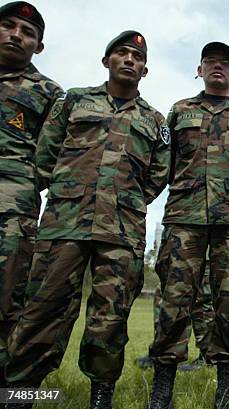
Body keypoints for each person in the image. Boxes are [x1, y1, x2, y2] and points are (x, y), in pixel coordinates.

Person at [5, 31, 169, 409]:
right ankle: (19, 397)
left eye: (137, 57)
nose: (129, 60)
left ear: (145, 70)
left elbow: (158, 175)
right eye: (121, 53)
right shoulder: (74, 101)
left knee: (109, 320)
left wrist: (124, 202)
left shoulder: (153, 120)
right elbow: (46, 152)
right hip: (64, 223)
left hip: (121, 231)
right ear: (106, 61)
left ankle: (101, 399)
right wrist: (68, 191)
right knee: (42, 311)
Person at [147, 42, 229, 409]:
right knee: (174, 302)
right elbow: (164, 161)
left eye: (226, 63)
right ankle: (162, 390)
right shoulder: (180, 111)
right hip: (185, 218)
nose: (218, 67)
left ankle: (225, 393)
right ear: (199, 70)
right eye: (211, 62)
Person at [0, 1, 63, 387]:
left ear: (38, 46)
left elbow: (54, 154)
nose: (15, 35)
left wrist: (22, 182)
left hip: (13, 207)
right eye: (8, 26)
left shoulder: (48, 93)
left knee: (10, 298)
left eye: (27, 33)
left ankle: (11, 389)